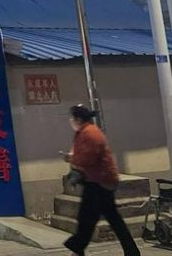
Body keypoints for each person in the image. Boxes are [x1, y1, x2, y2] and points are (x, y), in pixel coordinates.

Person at [62, 104, 140, 256]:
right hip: (98, 180)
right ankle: (131, 251)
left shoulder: (91, 134)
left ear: (78, 119)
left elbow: (87, 158)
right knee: (110, 218)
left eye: (72, 118)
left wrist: (71, 158)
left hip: (100, 182)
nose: (71, 120)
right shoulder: (83, 132)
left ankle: (77, 247)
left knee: (86, 218)